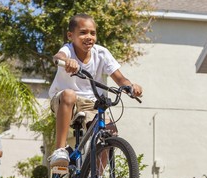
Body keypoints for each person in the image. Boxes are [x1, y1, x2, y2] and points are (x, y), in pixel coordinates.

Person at [48, 13, 143, 167]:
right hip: (64, 101)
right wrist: (66, 61)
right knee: (69, 94)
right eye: (83, 32)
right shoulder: (68, 49)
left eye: (93, 33)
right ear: (71, 35)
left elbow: (120, 79)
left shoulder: (101, 53)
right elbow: (57, 57)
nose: (89, 37)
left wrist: (130, 86)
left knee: (109, 132)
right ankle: (59, 150)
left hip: (91, 103)